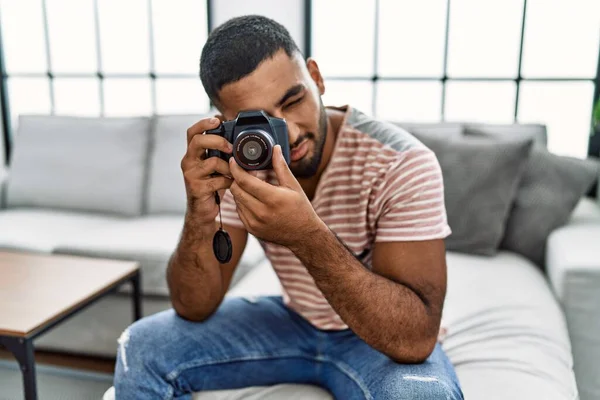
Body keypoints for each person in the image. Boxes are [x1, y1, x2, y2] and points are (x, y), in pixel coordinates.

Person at [113, 15, 463, 400]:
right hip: (293, 322)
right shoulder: (238, 163)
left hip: (373, 338)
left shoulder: (401, 162)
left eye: (294, 100)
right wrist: (200, 209)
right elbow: (193, 307)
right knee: (139, 348)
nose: (290, 133)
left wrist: (307, 236)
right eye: (259, 122)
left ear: (316, 76)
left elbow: (415, 339)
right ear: (225, 122)